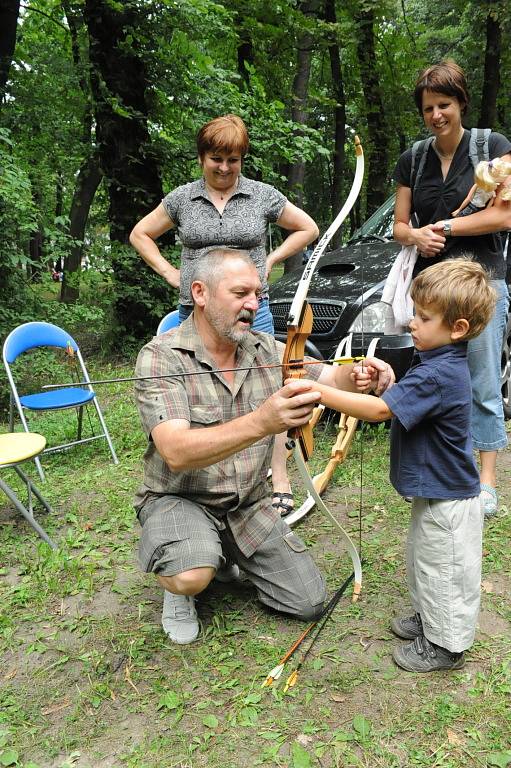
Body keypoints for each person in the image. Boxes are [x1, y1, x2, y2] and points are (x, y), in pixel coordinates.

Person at [133, 248, 394, 645]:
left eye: (257, 294)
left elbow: (325, 378)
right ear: (200, 293)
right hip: (181, 497)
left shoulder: (265, 348)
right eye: (240, 293)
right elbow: (177, 451)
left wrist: (360, 375)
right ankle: (183, 585)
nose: (253, 304)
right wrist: (261, 423)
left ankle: (219, 551)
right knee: (190, 575)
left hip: (247, 502)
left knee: (308, 601)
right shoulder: (161, 357)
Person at [292, 259, 497, 672]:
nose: (412, 324)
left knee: (446, 570)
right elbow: (405, 397)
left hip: (450, 499)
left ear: (457, 328)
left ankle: (447, 647)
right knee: (425, 562)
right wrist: (387, 378)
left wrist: (317, 389)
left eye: (423, 317)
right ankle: (430, 621)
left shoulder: (440, 371)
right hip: (435, 492)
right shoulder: (436, 358)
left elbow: (381, 412)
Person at [130, 113, 320, 518]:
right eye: (216, 157)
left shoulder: (261, 195)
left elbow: (308, 228)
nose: (224, 167)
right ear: (202, 157)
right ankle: (213, 480)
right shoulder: (182, 199)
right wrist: (170, 272)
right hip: (196, 311)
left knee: (271, 388)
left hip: (254, 312)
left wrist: (270, 260)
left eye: (233, 159)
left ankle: (278, 476)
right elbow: (140, 233)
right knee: (206, 392)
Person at [392, 59, 511, 519]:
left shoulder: (493, 149)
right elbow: (402, 226)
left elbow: (503, 215)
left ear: (461, 102)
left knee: (480, 381)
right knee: (432, 378)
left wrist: (444, 224)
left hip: (481, 284)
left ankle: (486, 483)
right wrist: (416, 235)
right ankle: (440, 469)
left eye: (444, 104)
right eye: (427, 108)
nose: (436, 115)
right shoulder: (413, 159)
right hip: (432, 288)